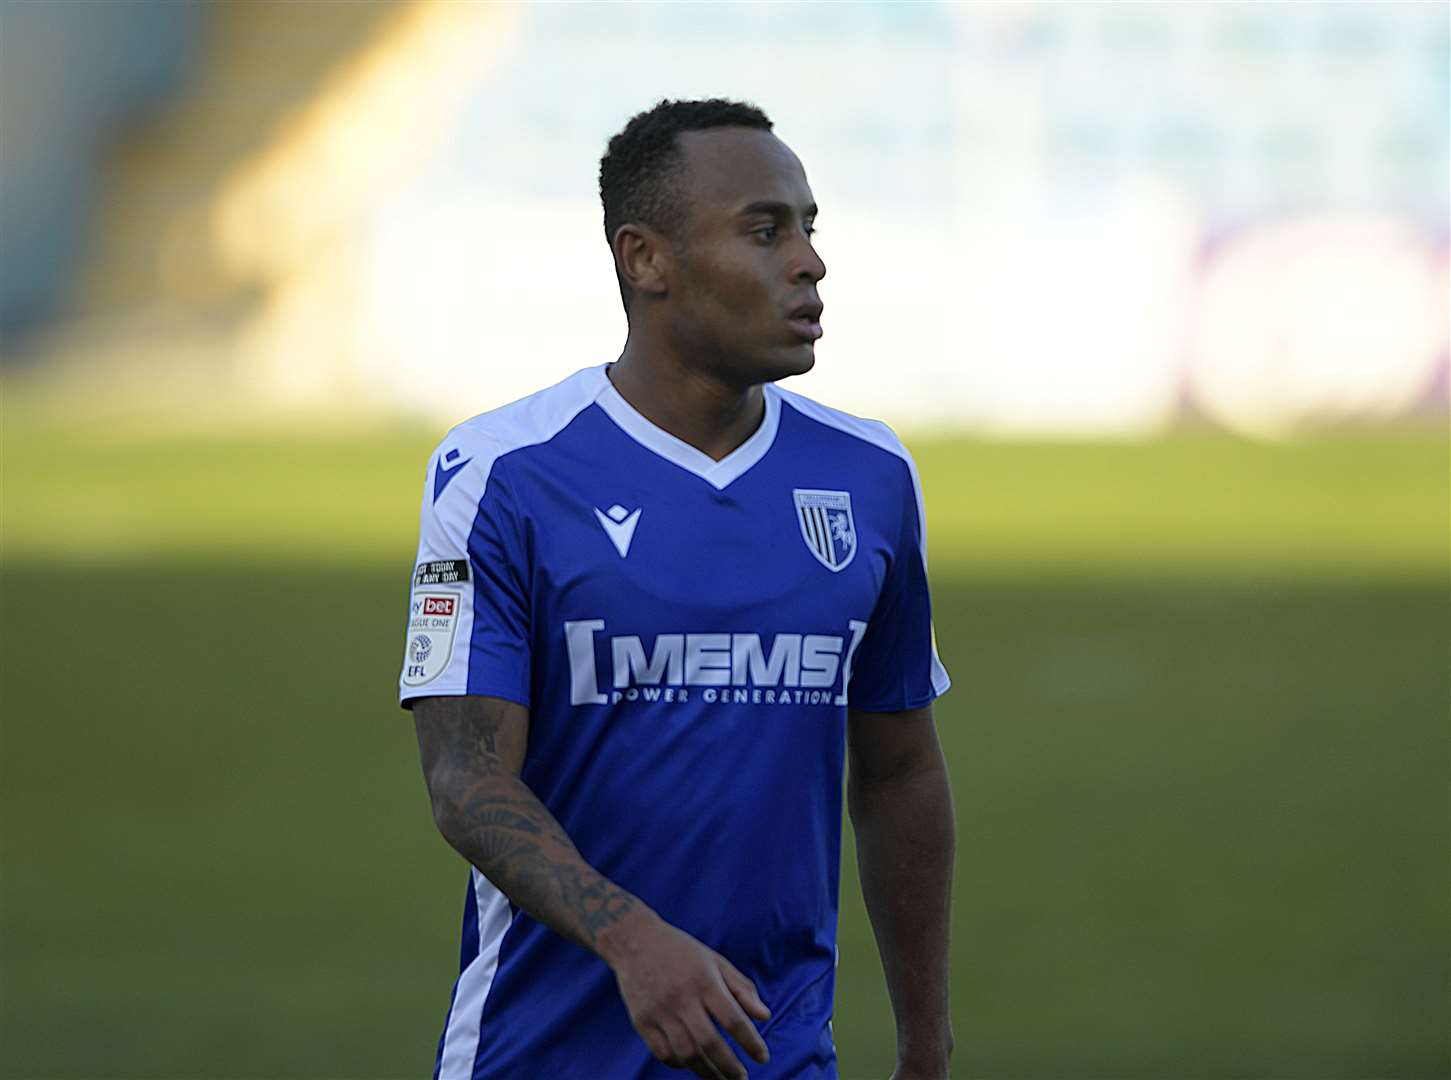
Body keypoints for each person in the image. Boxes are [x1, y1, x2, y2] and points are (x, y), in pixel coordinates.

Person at [399, 98, 955, 1080]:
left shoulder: (869, 476)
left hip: (774, 1058)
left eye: (807, 227)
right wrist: (630, 939)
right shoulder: (502, 473)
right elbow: (466, 776)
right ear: (644, 259)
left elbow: (899, 768)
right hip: (539, 1055)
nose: (809, 262)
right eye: (762, 229)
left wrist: (922, 1042)